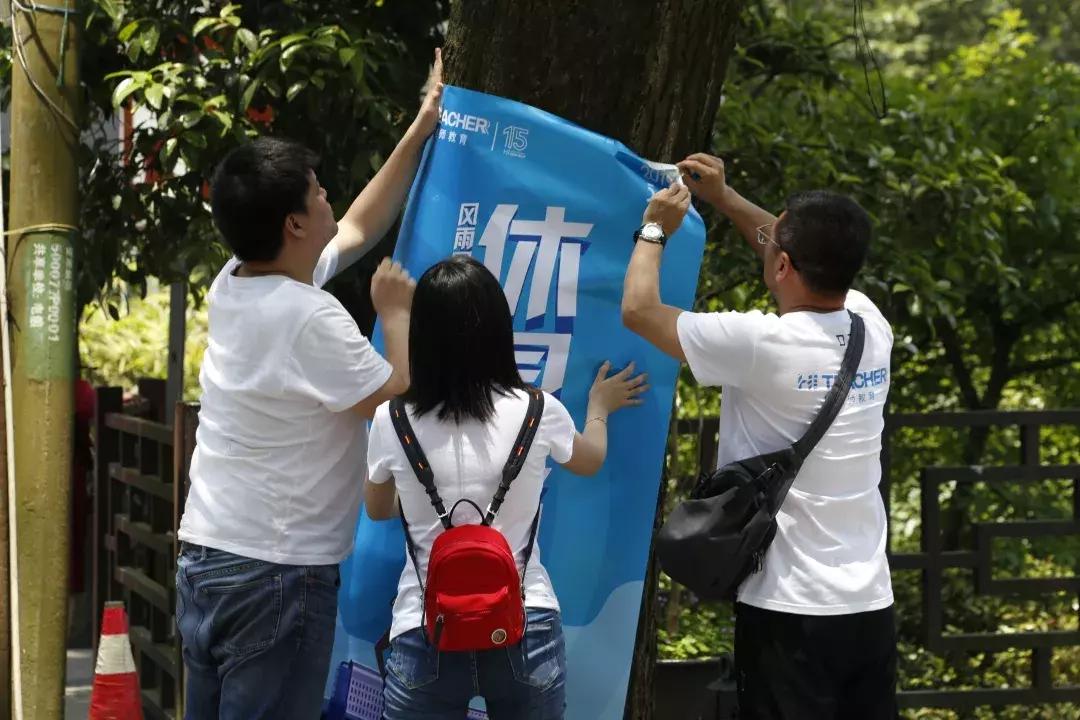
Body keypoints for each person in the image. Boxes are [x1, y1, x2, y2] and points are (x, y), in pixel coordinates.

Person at [174, 50, 444, 720]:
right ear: (293, 224)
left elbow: (357, 226)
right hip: (276, 574)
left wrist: (422, 125)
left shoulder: (237, 281)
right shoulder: (309, 317)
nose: (329, 198)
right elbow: (397, 396)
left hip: (208, 556)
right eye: (318, 191)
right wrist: (396, 313)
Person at [621, 154, 897, 719]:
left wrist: (653, 228)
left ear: (783, 266)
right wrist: (724, 198)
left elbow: (639, 310)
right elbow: (789, 248)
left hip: (787, 609)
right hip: (870, 601)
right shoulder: (872, 327)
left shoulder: (757, 344)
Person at [364, 255, 647, 719]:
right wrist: (598, 406)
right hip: (524, 622)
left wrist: (423, 496)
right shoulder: (540, 410)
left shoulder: (392, 419)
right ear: (499, 329)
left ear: (423, 335)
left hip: (424, 625)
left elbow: (377, 509)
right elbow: (589, 460)